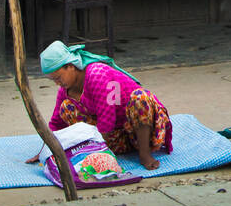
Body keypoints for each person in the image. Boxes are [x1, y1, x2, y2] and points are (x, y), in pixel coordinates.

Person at [25, 41, 173, 171]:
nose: (58, 83)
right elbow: (56, 123)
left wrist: (99, 150)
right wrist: (46, 151)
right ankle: (99, 150)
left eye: (58, 78)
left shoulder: (98, 74)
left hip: (140, 131)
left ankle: (144, 153)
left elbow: (108, 118)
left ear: (70, 66)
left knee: (141, 97)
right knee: (66, 107)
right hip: (116, 138)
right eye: (54, 81)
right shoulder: (65, 91)